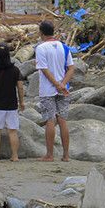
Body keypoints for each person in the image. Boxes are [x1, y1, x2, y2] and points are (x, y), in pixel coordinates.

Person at [34, 20, 74, 162]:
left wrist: (56, 84)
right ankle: (66, 155)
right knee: (63, 120)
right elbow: (71, 68)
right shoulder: (64, 47)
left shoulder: (41, 48)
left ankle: (49, 155)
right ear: (53, 31)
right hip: (64, 89)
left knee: (50, 120)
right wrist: (63, 84)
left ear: (41, 33)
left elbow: (44, 69)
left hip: (47, 89)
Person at [0, 44, 26, 162]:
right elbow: (20, 88)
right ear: (8, 55)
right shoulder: (15, 70)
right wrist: (22, 102)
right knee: (12, 131)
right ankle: (15, 156)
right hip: (11, 104)